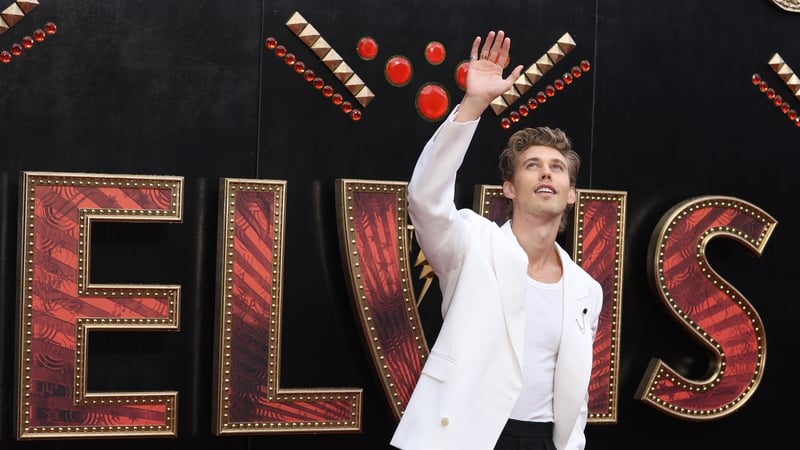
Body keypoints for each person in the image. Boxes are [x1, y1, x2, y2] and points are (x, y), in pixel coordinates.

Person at [390, 30, 603, 450]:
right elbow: (425, 198)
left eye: (557, 168)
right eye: (532, 165)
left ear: (571, 192)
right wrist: (474, 104)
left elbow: (574, 395)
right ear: (508, 187)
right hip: (465, 437)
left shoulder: (586, 289)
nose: (546, 173)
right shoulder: (472, 244)